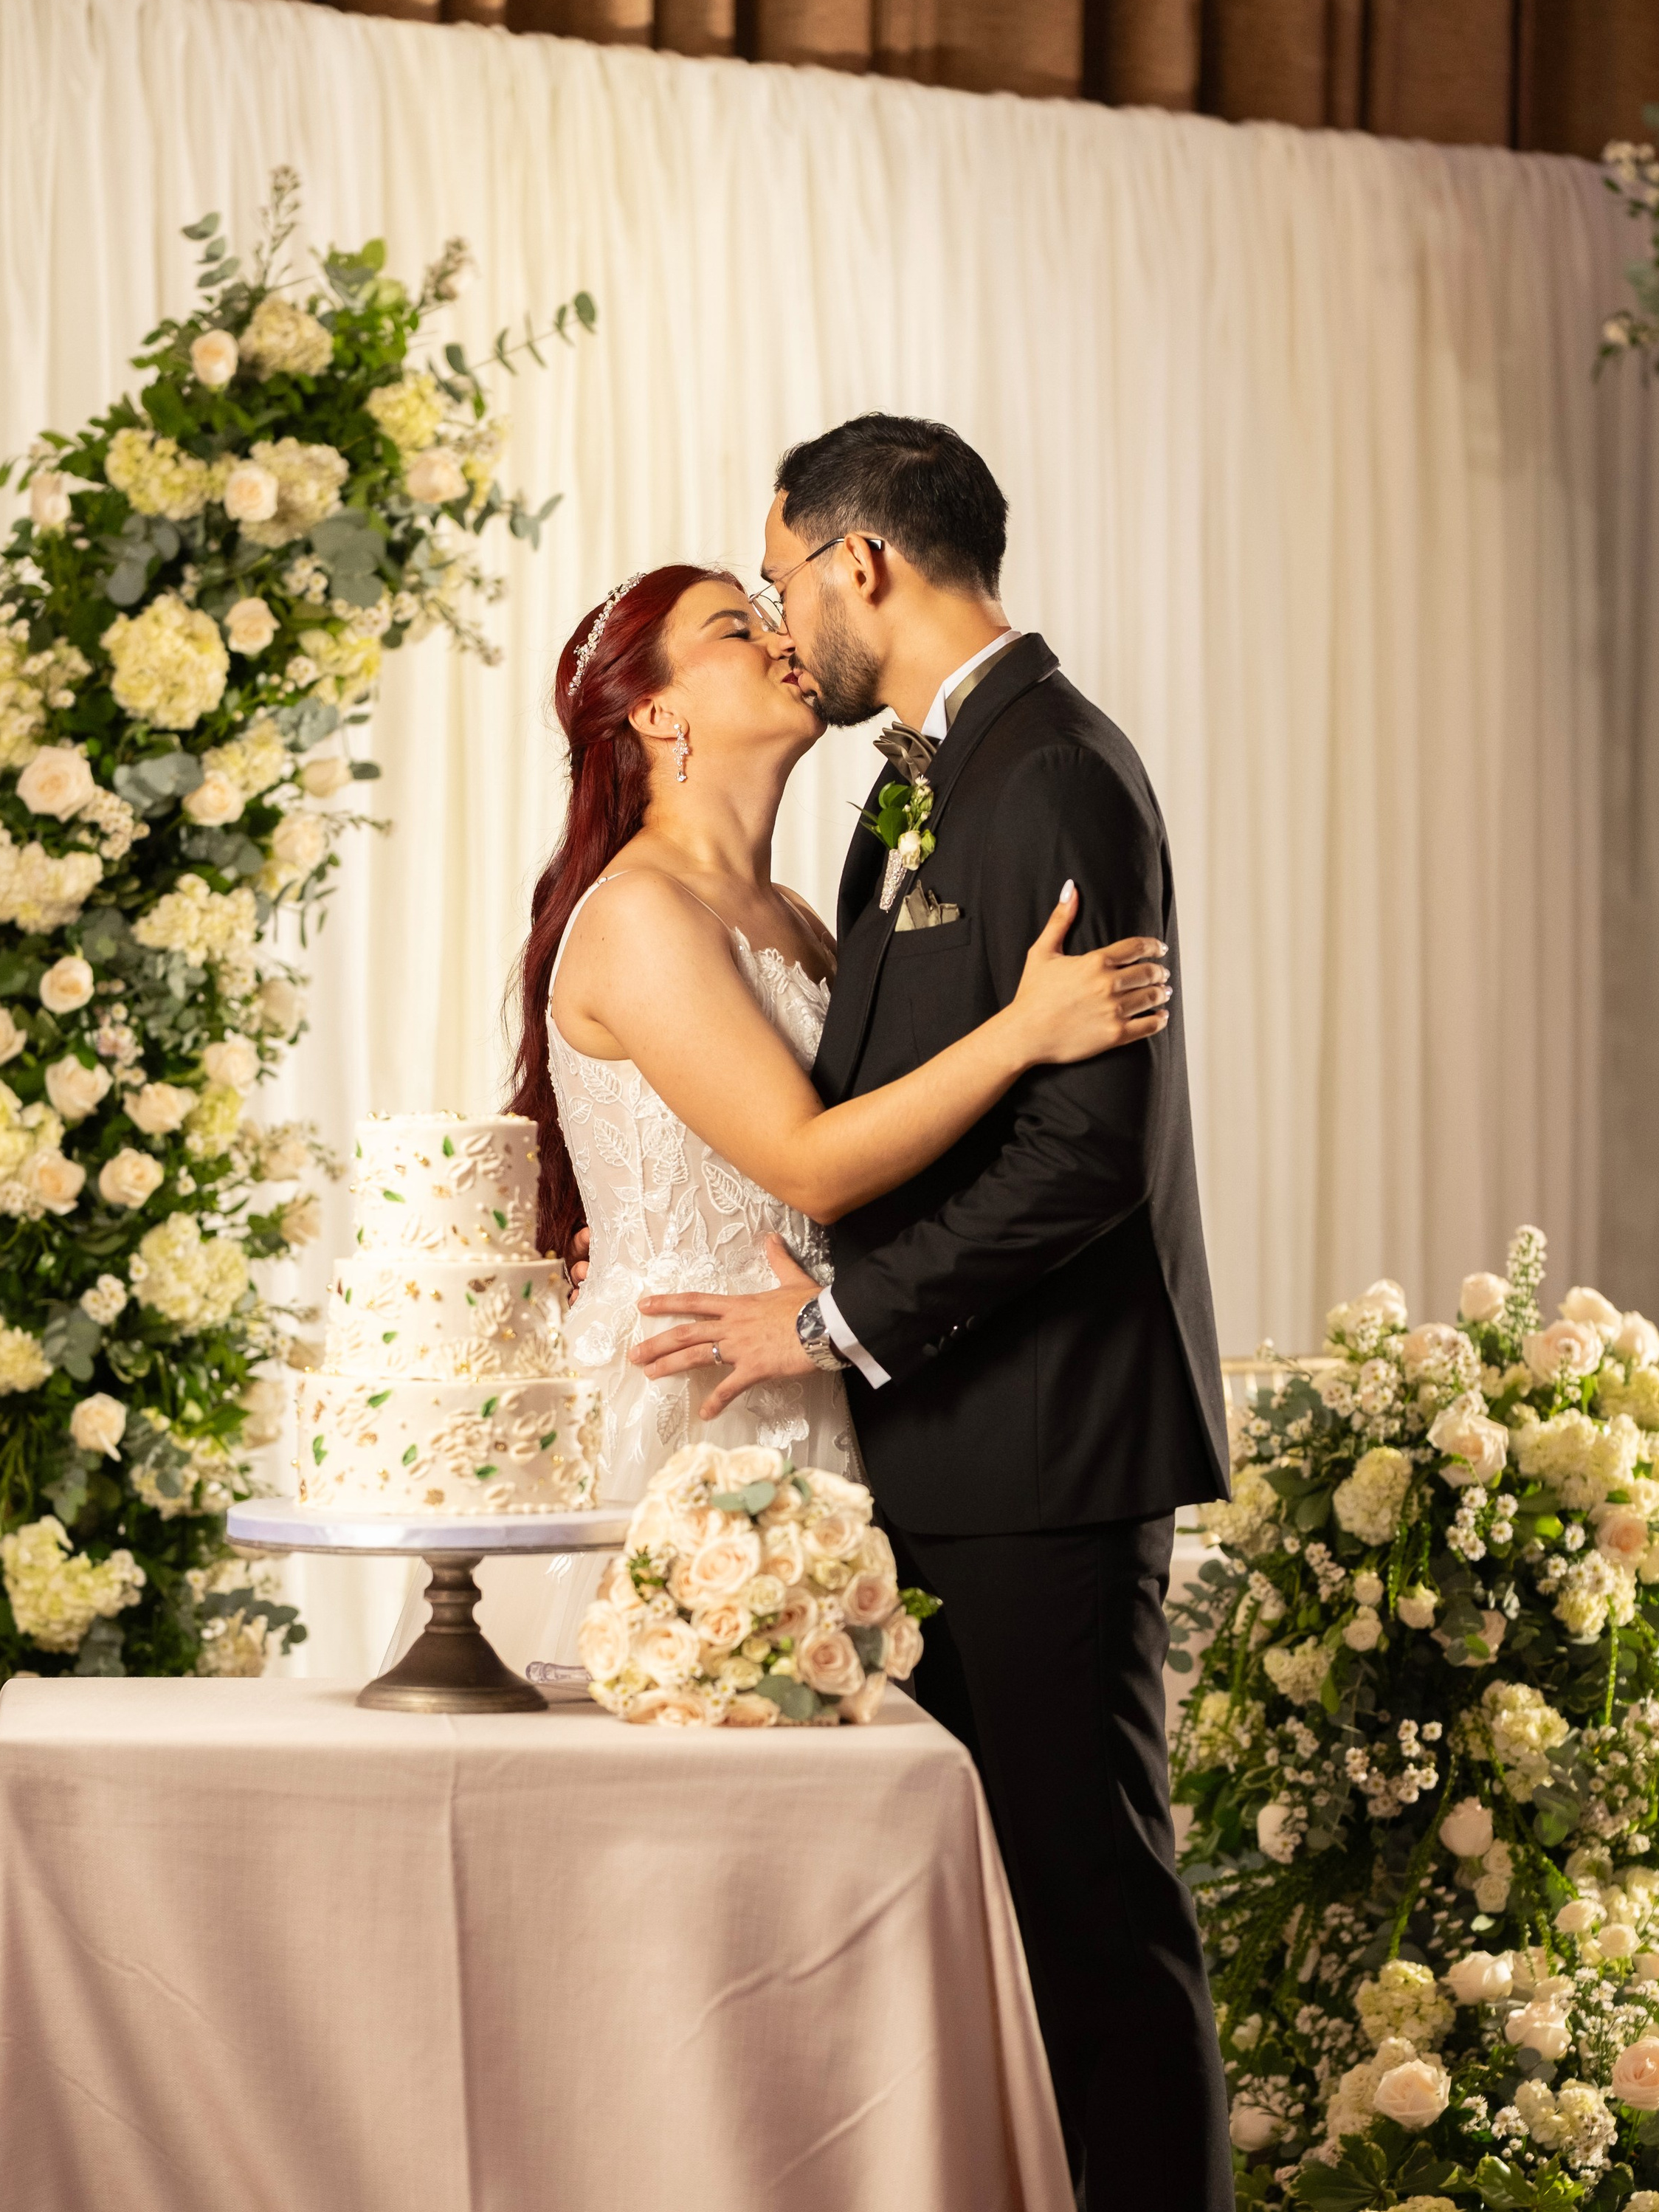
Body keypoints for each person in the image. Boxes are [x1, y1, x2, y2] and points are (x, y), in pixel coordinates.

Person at [626, 420, 1240, 2212]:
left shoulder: (1052, 770)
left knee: (1094, 1925)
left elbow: (1087, 1162)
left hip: (1046, 1450)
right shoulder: (912, 787)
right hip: (930, 1453)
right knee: (978, 1945)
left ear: (863, 562)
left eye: (785, 574)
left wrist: (835, 1322)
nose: (781, 615)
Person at [449, 559, 1168, 1682]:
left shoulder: (790, 912)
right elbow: (809, 1165)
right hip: (696, 1399)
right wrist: (1024, 1031)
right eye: (738, 628)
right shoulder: (640, 913)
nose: (784, 638)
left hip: (821, 1370)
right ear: (658, 713)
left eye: (772, 613)